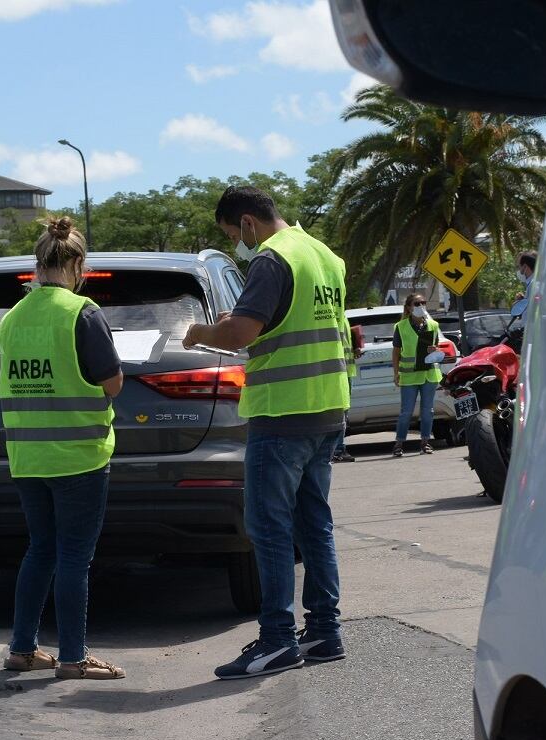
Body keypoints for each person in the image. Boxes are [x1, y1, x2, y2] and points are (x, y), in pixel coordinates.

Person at [183, 185, 351, 680]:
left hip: (282, 414)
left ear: (248, 224)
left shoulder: (272, 260)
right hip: (326, 407)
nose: (238, 243)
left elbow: (241, 334)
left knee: (269, 527)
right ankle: (324, 630)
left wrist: (200, 333)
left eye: (233, 234)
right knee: (312, 522)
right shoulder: (324, 256)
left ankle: (278, 640)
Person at [0, 216, 126, 680]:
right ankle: (72, 657)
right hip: (78, 456)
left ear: (38, 262)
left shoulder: (13, 318)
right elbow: (112, 384)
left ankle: (21, 649)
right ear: (76, 263)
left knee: (40, 550)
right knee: (74, 556)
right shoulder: (82, 312)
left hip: (27, 458)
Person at [392, 292, 443, 457]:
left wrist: (435, 350)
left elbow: (436, 347)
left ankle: (425, 442)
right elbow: (396, 352)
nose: (421, 306)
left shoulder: (433, 325)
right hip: (409, 376)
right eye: (417, 304)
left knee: (428, 410)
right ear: (408, 307)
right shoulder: (401, 327)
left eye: (423, 303)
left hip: (429, 374)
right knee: (406, 411)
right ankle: (399, 444)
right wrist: (395, 373)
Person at [332, 322, 364, 463]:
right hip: (337, 372)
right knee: (339, 414)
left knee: (343, 413)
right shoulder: (336, 312)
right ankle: (337, 450)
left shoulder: (343, 315)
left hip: (347, 371)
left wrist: (355, 346)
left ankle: (338, 449)